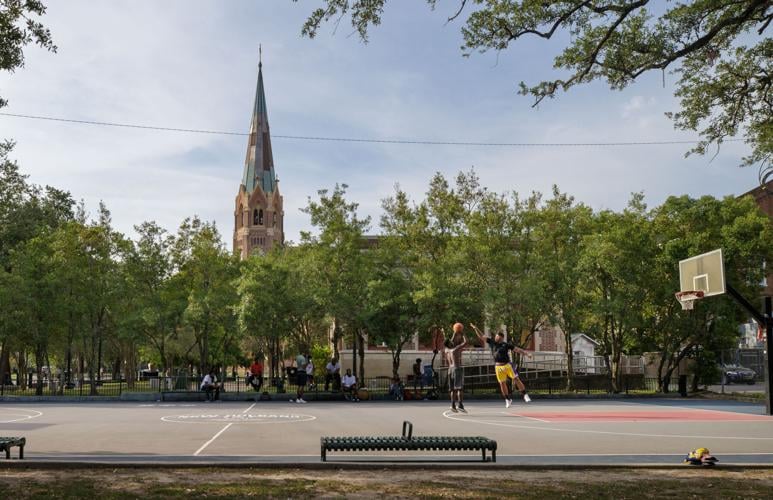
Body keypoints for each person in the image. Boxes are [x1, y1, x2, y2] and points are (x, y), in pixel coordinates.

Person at [470, 323, 533, 407]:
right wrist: (475, 328)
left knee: (516, 379)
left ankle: (525, 395)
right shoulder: (492, 342)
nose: (496, 338)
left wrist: (526, 354)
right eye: (496, 336)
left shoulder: (506, 345)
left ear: (501, 338)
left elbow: (517, 349)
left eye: (498, 337)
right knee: (502, 383)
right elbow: (482, 336)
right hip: (498, 366)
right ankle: (507, 399)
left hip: (507, 365)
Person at [445, 333, 467, 413]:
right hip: (457, 369)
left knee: (452, 389)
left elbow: (451, 340)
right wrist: (463, 333)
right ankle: (460, 405)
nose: (452, 342)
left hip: (450, 370)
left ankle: (453, 405)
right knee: (459, 388)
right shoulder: (455, 349)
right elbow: (465, 342)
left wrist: (454, 332)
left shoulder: (446, 350)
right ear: (450, 344)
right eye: (451, 342)